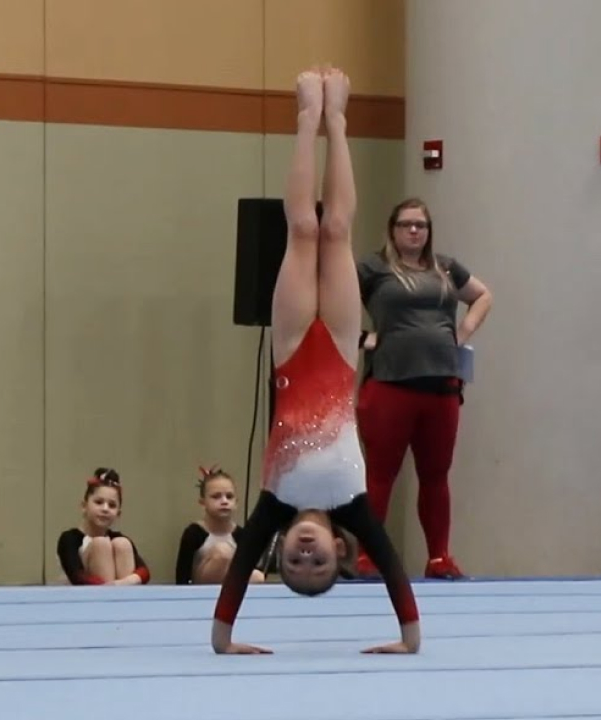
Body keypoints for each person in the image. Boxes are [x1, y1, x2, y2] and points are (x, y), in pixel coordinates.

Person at [211, 66, 420, 655]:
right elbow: (398, 574)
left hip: (293, 345)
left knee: (304, 228)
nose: (304, 555)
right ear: (339, 549)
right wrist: (409, 640)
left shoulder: (273, 501)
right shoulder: (355, 504)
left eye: (295, 564)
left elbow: (234, 580)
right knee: (339, 231)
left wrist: (224, 641)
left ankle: (308, 119)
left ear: (282, 551)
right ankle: (339, 120)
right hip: (343, 349)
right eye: (317, 563)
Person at [354, 198, 493, 579]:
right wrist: (362, 337)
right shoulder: (372, 268)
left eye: (421, 225)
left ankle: (439, 558)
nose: (414, 231)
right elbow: (328, 303)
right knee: (381, 474)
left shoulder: (445, 267)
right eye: (406, 225)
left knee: (436, 474)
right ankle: (368, 557)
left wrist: (460, 334)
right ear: (392, 229)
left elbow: (483, 295)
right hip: (390, 384)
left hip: (442, 386)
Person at [56, 468, 151, 585]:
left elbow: (144, 572)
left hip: (118, 591)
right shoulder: (69, 539)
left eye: (112, 505)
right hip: (82, 598)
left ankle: (123, 600)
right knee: (101, 544)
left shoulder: (119, 539)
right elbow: (76, 576)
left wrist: (122, 583)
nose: (105, 509)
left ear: (118, 513)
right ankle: (109, 599)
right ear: (84, 506)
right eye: (99, 502)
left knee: (123, 544)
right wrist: (106, 587)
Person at [175, 465, 267, 585]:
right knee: (222, 553)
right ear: (203, 503)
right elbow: (181, 576)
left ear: (236, 503)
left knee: (258, 576)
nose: (224, 501)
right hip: (200, 591)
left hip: (230, 589)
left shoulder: (241, 535)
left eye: (229, 496)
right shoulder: (194, 533)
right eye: (216, 496)